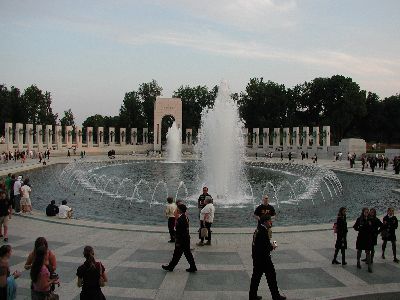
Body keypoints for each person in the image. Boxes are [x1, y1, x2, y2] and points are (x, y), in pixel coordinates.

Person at [249, 215, 286, 300]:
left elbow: (257, 244)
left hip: (257, 258)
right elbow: (265, 248)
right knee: (271, 277)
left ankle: (252, 296)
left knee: (256, 278)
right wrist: (272, 246)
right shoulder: (263, 231)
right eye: (269, 221)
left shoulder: (258, 229)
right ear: (265, 222)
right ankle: (276, 296)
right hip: (264, 260)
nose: (271, 222)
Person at [162, 204, 197, 272]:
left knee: (178, 254)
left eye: (177, 208)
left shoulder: (181, 219)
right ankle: (192, 267)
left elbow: (181, 232)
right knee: (185, 254)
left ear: (180, 210)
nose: (176, 209)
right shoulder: (184, 217)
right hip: (185, 239)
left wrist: (178, 241)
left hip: (182, 240)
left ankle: (171, 267)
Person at [353, 208, 374, 272]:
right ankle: (358, 261)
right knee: (359, 250)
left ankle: (369, 266)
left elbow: (372, 228)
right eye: (365, 212)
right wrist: (359, 229)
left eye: (367, 212)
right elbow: (355, 227)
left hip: (368, 237)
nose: (366, 213)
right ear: (363, 212)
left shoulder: (370, 219)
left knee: (368, 251)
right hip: (361, 237)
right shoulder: (359, 219)